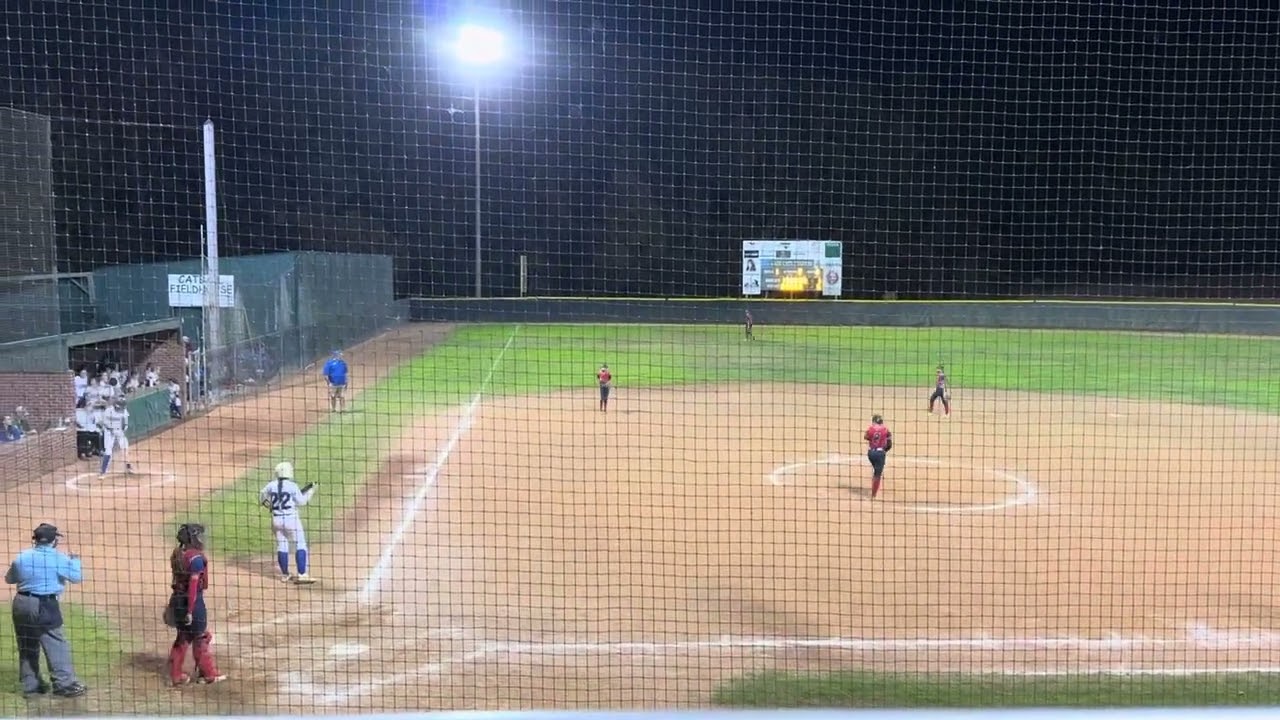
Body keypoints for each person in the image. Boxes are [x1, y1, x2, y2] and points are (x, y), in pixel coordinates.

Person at [5, 523, 88, 699]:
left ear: (35, 539)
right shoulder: (59, 558)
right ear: (54, 540)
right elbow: (76, 578)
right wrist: (75, 561)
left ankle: (31, 687)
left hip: (21, 603)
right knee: (56, 643)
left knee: (27, 644)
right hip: (45, 605)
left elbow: (9, 579)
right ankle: (64, 684)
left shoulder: (22, 557)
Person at [166, 523, 225, 686]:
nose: (202, 539)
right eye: (199, 536)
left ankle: (176, 675)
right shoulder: (196, 559)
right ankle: (208, 674)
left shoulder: (178, 554)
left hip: (177, 599)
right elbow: (193, 586)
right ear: (193, 538)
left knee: (183, 638)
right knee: (201, 637)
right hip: (192, 601)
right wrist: (191, 610)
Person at [259, 462, 318, 584]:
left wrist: (270, 506)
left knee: (282, 545)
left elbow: (262, 497)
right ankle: (302, 574)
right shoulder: (292, 486)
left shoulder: (271, 485)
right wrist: (310, 492)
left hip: (276, 520)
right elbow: (301, 501)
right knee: (300, 544)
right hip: (291, 520)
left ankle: (285, 575)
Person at [98, 398, 133, 477]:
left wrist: (121, 430)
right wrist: (111, 429)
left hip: (119, 431)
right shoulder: (108, 411)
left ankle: (128, 467)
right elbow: (104, 423)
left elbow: (125, 424)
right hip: (109, 432)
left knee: (125, 448)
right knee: (108, 451)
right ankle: (103, 471)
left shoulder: (124, 411)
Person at [864, 414, 893, 500]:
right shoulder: (886, 430)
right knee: (877, 474)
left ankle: (874, 484)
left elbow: (866, 437)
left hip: (871, 453)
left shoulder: (870, 429)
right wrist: (885, 450)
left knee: (876, 470)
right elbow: (889, 444)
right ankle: (873, 495)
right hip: (880, 453)